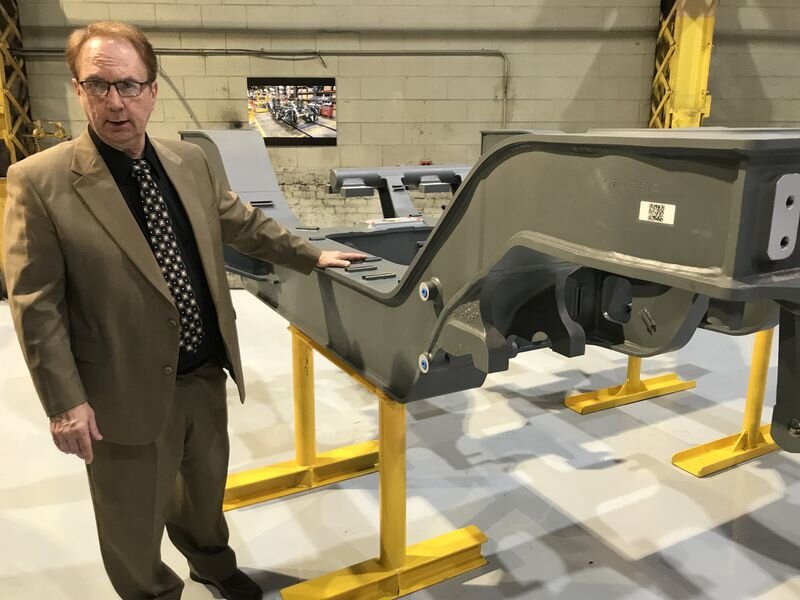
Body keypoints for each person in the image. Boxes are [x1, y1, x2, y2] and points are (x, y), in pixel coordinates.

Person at [2, 21, 365, 600]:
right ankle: (150, 592)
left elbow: (241, 221)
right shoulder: (38, 183)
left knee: (202, 488)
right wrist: (65, 402)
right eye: (97, 86)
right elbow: (34, 302)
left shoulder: (188, 160)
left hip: (201, 371)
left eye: (128, 85)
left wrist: (310, 252)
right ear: (78, 89)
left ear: (152, 88)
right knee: (132, 512)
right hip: (116, 385)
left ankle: (212, 563)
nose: (114, 103)